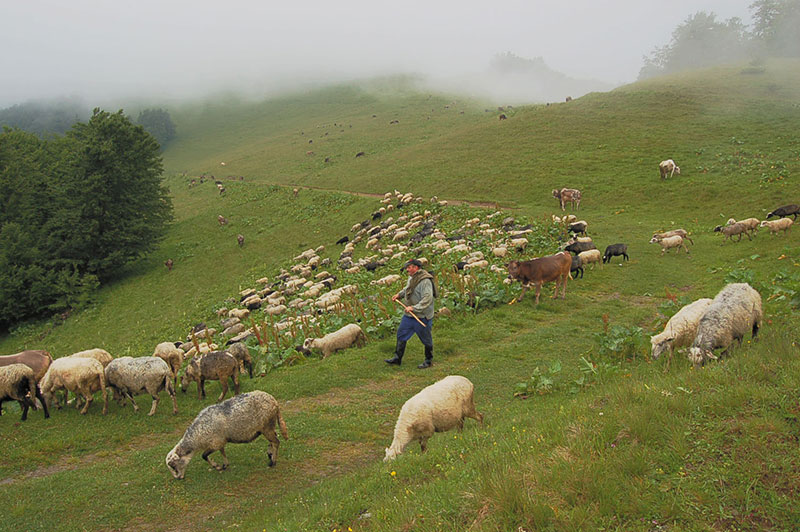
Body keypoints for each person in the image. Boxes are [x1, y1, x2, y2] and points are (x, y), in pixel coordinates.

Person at [385, 259, 435, 369]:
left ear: (417, 268)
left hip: (422, 316)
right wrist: (399, 295)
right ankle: (397, 358)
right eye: (407, 267)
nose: (407, 269)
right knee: (401, 333)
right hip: (409, 315)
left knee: (426, 338)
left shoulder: (425, 281)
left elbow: (427, 298)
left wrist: (414, 307)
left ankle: (428, 360)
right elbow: (408, 288)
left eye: (410, 267)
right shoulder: (412, 278)